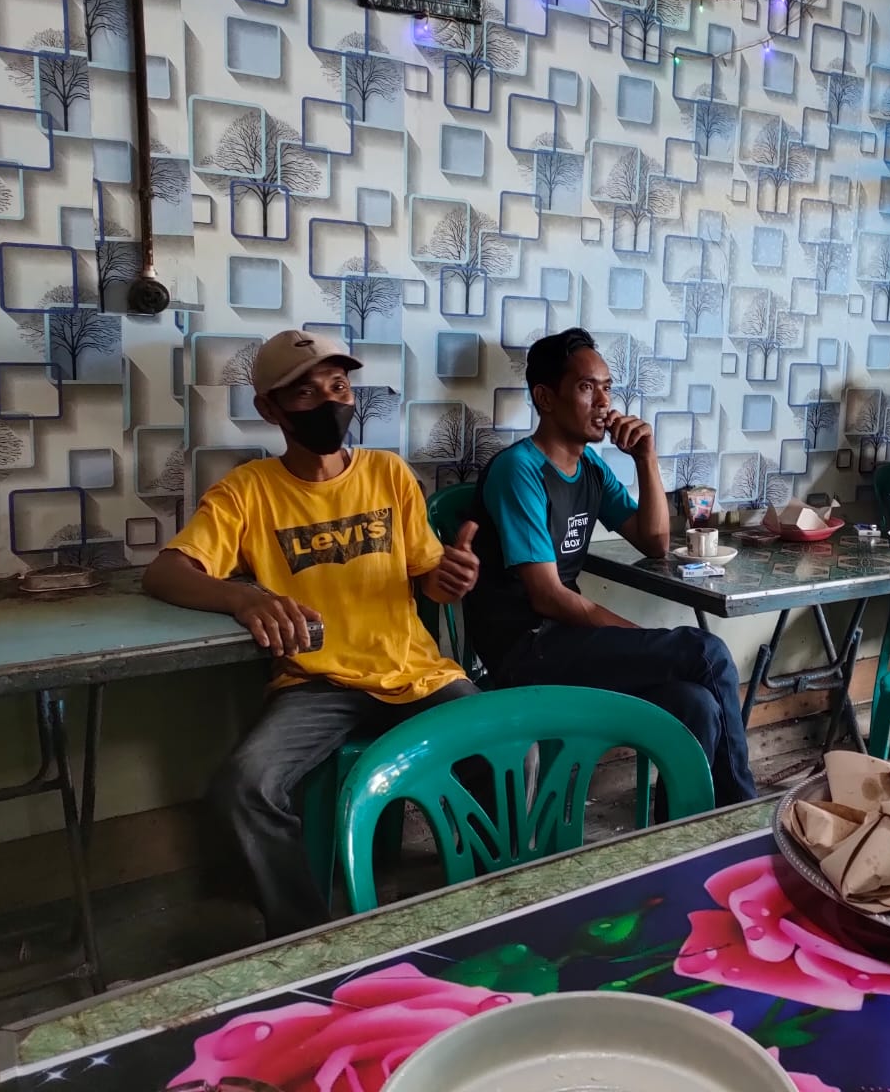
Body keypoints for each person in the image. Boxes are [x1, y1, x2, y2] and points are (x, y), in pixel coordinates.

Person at [143, 330, 486, 937]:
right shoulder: (248, 493)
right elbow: (166, 571)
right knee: (243, 788)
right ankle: (305, 933)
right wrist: (244, 595)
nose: (330, 402)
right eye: (305, 393)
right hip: (315, 683)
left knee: (509, 747)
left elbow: (425, 574)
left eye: (338, 386)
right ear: (270, 410)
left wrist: (447, 578)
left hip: (415, 672)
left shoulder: (389, 475)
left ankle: (494, 900)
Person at [463, 328, 758, 807]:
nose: (604, 401)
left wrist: (647, 458)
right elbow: (547, 596)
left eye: (607, 386)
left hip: (567, 642)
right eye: (586, 387)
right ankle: (741, 815)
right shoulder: (519, 470)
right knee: (707, 653)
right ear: (546, 398)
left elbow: (655, 540)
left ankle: (674, 844)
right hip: (525, 649)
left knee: (698, 705)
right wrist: (633, 636)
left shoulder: (592, 470)